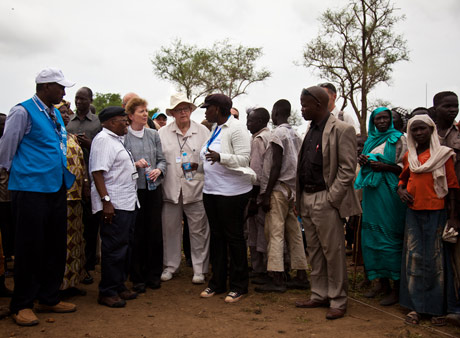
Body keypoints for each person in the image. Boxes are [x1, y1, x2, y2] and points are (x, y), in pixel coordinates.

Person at [0, 67, 77, 326]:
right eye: (60, 87)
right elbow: (7, 150)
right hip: (30, 188)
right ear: (45, 87)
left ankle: (48, 297)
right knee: (29, 247)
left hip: (54, 187)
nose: (64, 92)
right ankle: (21, 304)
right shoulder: (22, 111)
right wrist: (21, 173)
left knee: (54, 244)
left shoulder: (54, 113)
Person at [294, 86, 361, 320]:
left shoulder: (342, 129)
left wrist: (332, 198)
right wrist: (299, 197)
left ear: (319, 106)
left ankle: (338, 299)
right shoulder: (310, 129)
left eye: (305, 105)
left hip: (326, 198)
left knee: (333, 251)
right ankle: (319, 294)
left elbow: (347, 169)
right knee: (314, 250)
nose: (302, 109)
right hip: (307, 198)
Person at [397, 115, 459, 326]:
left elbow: (452, 188)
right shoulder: (409, 156)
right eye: (414, 130)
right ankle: (415, 307)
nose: (418, 133)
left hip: (437, 213)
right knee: (414, 258)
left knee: (436, 261)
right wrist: (401, 191)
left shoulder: (443, 155)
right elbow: (403, 180)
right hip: (414, 213)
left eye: (422, 129)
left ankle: (436, 309)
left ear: (431, 130)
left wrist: (452, 217)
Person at [199, 94, 256, 303]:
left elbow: (244, 159)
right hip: (212, 191)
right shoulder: (215, 128)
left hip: (232, 192)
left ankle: (239, 286)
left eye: (208, 108)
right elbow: (208, 153)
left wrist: (221, 158)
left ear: (219, 108)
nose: (205, 111)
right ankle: (218, 283)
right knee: (217, 237)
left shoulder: (237, 128)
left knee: (234, 237)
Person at [256, 100, 309, 293]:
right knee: (294, 233)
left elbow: (276, 165)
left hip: (278, 189)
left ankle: (276, 276)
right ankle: (301, 274)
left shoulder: (277, 134)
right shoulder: (295, 134)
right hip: (292, 189)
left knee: (276, 232)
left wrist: (266, 193)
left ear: (276, 112)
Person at [355, 107, 407, 306]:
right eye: (378, 118)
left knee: (390, 237)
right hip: (372, 193)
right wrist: (364, 161)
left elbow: (405, 166)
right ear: (373, 121)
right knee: (373, 237)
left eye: (386, 118)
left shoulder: (398, 139)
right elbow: (367, 162)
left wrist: (385, 166)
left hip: (391, 192)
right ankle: (380, 283)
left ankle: (396, 287)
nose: (382, 121)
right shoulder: (370, 141)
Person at [89, 106, 139, 308]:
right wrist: (106, 201)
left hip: (127, 202)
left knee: (124, 247)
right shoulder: (103, 141)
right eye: (122, 120)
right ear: (109, 122)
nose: (127, 122)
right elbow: (97, 173)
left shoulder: (116, 140)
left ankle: (118, 285)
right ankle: (107, 291)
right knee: (113, 249)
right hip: (114, 204)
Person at [159, 93, 210, 284]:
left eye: (186, 108)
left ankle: (199, 269)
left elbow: (209, 160)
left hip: (195, 188)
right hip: (170, 189)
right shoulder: (162, 133)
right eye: (179, 109)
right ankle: (171, 266)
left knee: (198, 231)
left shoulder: (203, 131)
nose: (183, 112)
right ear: (172, 113)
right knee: (170, 229)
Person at [124, 98, 167, 293]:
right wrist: (134, 165)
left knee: (155, 233)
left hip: (153, 190)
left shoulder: (153, 134)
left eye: (145, 110)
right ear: (131, 115)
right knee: (137, 234)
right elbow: (120, 164)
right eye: (140, 111)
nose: (145, 114)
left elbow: (162, 160)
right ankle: (137, 276)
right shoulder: (124, 137)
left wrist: (158, 171)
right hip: (134, 191)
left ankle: (153, 275)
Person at [66, 86, 101, 285]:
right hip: (73, 179)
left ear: (90, 100)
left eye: (83, 99)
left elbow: (103, 147)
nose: (79, 102)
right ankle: (76, 264)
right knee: (74, 223)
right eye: (77, 99)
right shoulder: (68, 123)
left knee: (90, 223)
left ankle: (88, 264)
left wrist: (89, 144)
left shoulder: (97, 123)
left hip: (92, 177)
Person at [432, 91, 460, 326]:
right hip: (430, 206)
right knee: (435, 257)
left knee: (456, 258)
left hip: (455, 205)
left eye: (456, 106)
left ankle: (455, 308)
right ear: (436, 108)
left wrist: (454, 213)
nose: (452, 110)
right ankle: (438, 305)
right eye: (447, 106)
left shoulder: (458, 136)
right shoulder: (427, 135)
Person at [56, 100, 88, 297]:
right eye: (62, 111)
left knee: (76, 240)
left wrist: (85, 185)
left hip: (76, 196)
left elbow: (82, 164)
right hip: (60, 196)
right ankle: (58, 285)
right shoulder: (52, 137)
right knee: (61, 242)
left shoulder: (71, 137)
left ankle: (72, 281)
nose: (67, 114)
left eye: (68, 111)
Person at [246, 108, 271, 278]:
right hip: (268, 191)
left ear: (262, 121)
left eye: (251, 121)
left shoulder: (258, 140)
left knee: (256, 232)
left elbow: (255, 173)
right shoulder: (272, 136)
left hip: (258, 194)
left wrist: (253, 200)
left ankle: (259, 268)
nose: (248, 124)